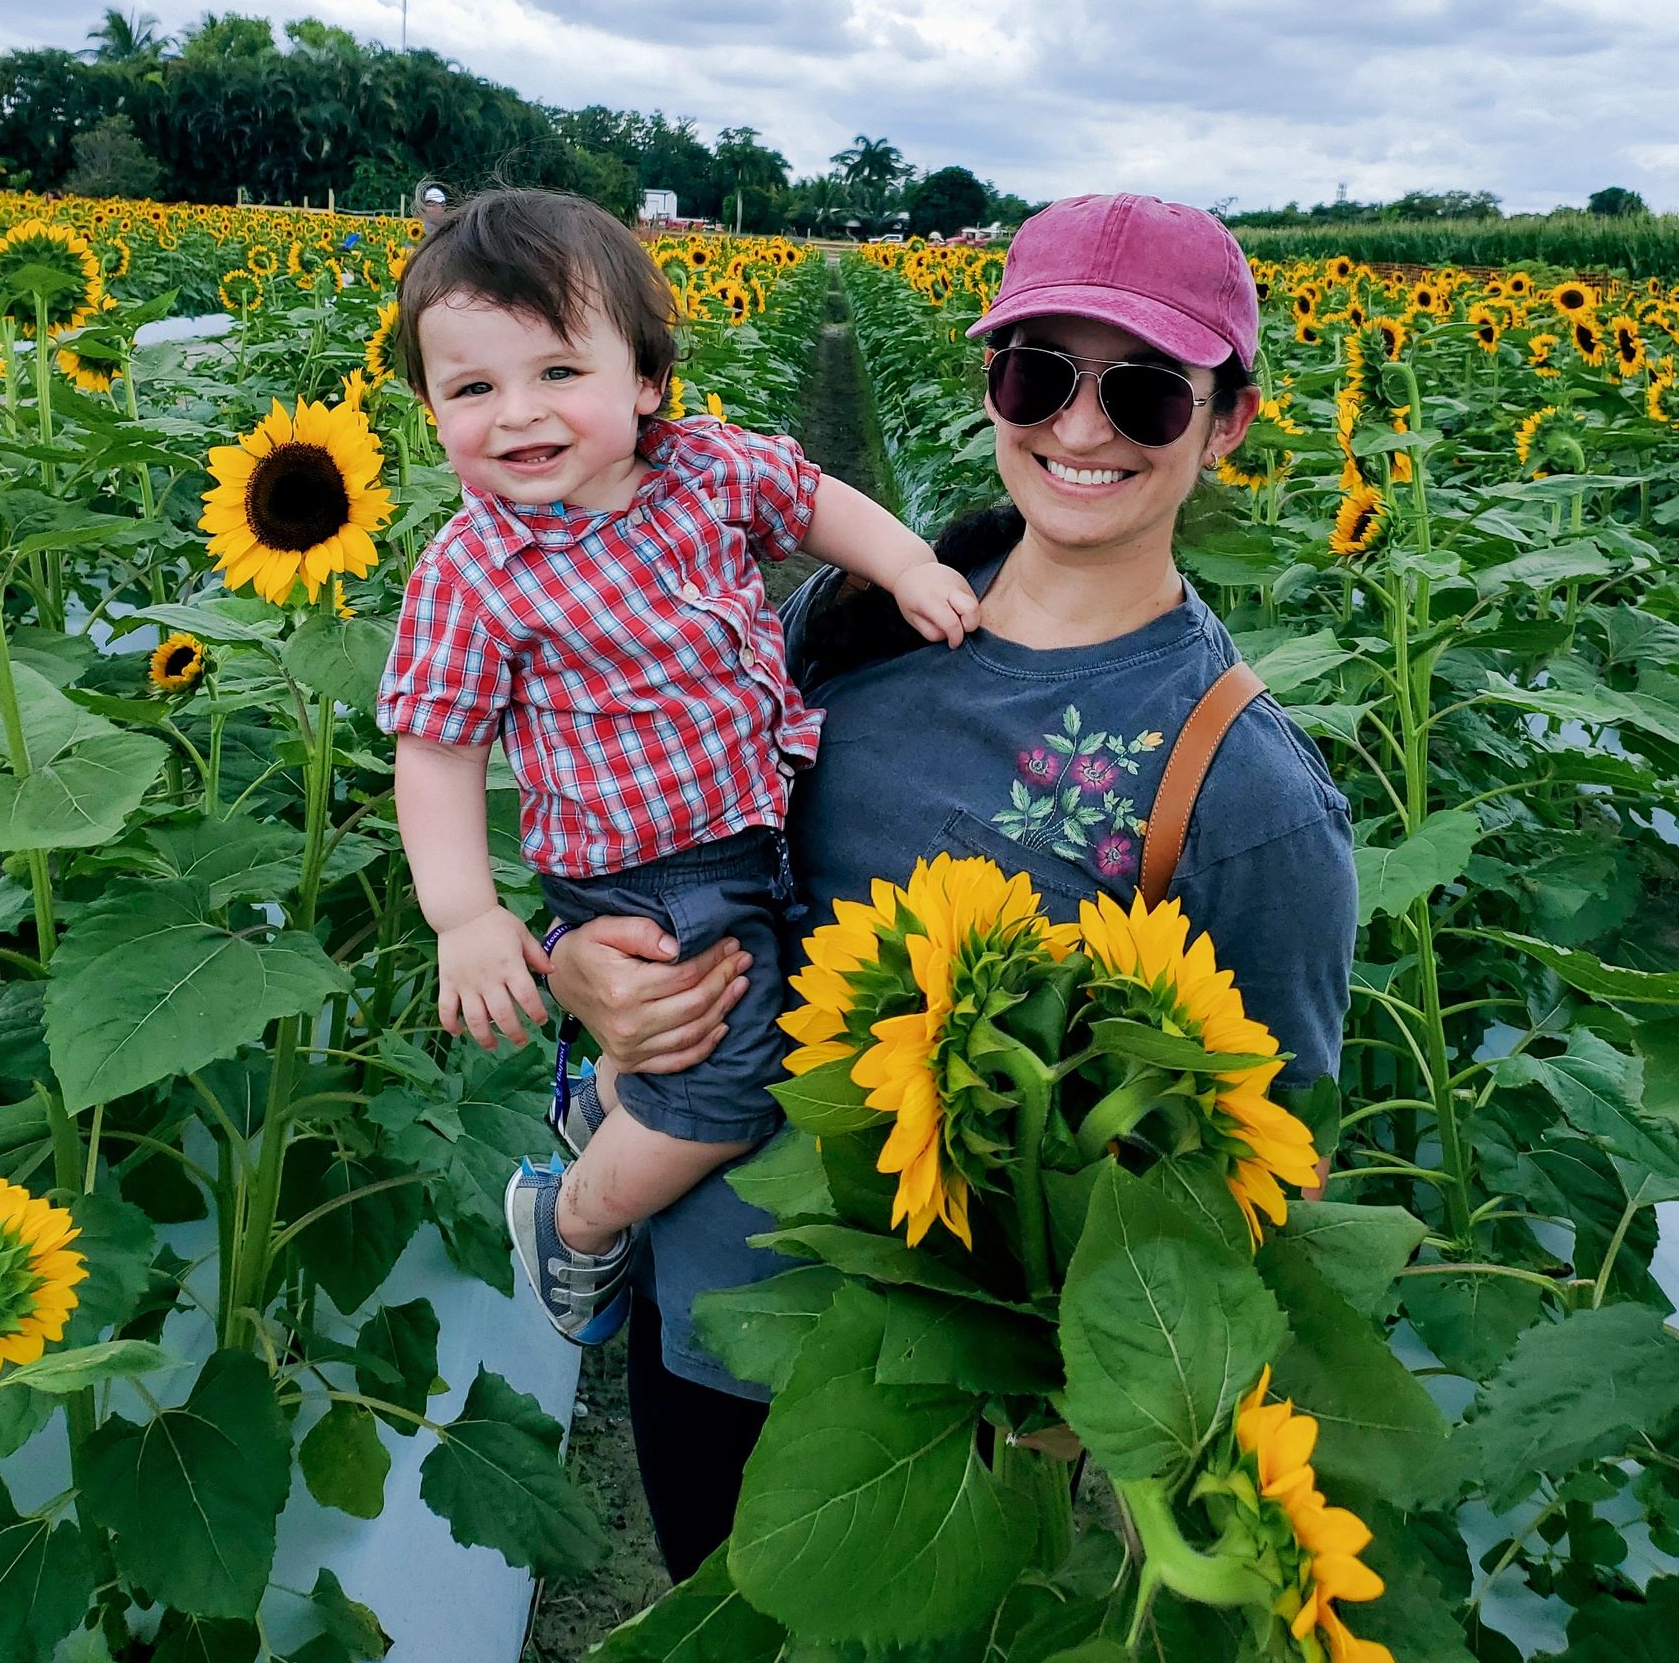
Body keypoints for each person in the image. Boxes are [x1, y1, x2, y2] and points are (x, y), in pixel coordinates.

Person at [543, 192, 1358, 1581]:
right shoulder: (858, 617)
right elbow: (680, 850)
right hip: (708, 1303)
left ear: (1228, 422)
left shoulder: (1244, 795)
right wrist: (588, 977)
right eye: (1039, 372)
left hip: (955, 1413)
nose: (1082, 429)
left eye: (1149, 393)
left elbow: (1252, 1176)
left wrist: (1070, 1411)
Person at [374, 188, 980, 1345]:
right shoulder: (474, 570)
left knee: (726, 1029)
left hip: (752, 833)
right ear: (431, 410)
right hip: (643, 881)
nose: (518, 416)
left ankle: (604, 1102)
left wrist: (905, 565)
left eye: (558, 374)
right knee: (730, 1087)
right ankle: (579, 1221)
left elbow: (813, 499)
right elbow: (437, 750)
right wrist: (464, 916)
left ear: (643, 379)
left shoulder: (706, 470)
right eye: (472, 390)